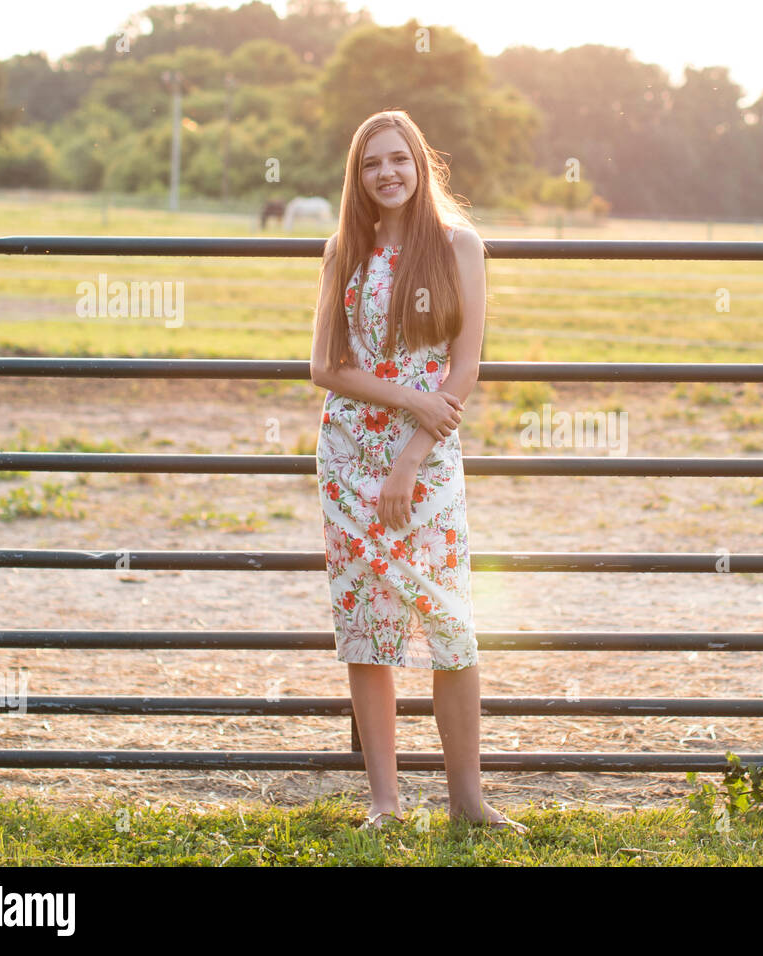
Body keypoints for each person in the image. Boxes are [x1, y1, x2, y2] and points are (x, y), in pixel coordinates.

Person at [310, 110, 528, 836]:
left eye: (399, 159)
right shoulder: (346, 248)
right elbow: (324, 367)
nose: (387, 174)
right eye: (372, 164)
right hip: (348, 461)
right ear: (358, 175)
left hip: (427, 459)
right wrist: (407, 398)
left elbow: (463, 368)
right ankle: (386, 802)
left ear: (420, 164)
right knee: (366, 631)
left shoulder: (460, 246)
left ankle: (467, 800)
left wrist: (410, 454)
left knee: (452, 625)